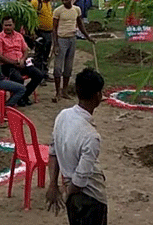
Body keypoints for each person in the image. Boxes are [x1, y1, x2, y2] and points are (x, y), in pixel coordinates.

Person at [46, 68, 108, 225]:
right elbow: (80, 182)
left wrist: (54, 185)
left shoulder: (63, 116)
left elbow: (53, 153)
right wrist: (66, 193)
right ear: (98, 96)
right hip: (90, 197)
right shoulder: (91, 137)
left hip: (72, 195)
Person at [0, 16, 44, 107]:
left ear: (14, 25)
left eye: (10, 25)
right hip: (7, 65)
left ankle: (23, 96)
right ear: (2, 26)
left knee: (39, 75)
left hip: (21, 62)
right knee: (18, 78)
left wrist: (22, 60)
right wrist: (14, 63)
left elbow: (25, 50)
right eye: (6, 25)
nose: (8, 27)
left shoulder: (19, 36)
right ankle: (18, 99)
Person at [53, 0, 93, 102]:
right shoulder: (58, 11)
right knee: (57, 67)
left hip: (72, 38)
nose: (64, 2)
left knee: (68, 66)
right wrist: (55, 44)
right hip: (61, 39)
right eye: (63, 0)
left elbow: (80, 24)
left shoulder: (77, 9)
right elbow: (54, 28)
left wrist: (87, 37)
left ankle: (64, 91)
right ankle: (57, 92)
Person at [32, 0, 56, 79]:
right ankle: (38, 75)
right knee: (39, 55)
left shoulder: (48, 3)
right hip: (40, 32)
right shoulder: (36, 2)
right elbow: (31, 17)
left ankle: (44, 73)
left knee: (46, 54)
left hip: (48, 32)